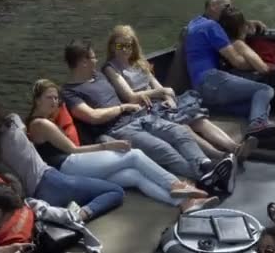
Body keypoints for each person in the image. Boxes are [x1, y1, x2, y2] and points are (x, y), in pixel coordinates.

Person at [61, 39, 236, 193]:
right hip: (117, 130)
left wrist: (142, 97)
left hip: (139, 115)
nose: (95, 60)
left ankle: (205, 164)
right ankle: (206, 175)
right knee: (164, 150)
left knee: (179, 132)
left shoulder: (98, 76)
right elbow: (92, 116)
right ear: (83, 62)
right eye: (92, 57)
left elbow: (126, 89)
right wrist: (122, 108)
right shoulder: (70, 92)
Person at [27, 79, 220, 213]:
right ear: (37, 100)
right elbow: (73, 150)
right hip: (68, 165)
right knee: (133, 155)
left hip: (69, 168)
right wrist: (110, 146)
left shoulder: (39, 122)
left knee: (134, 176)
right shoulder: (41, 124)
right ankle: (175, 185)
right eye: (49, 98)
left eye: (55, 98)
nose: (54, 102)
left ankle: (184, 204)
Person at [102, 24, 257, 162]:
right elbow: (131, 96)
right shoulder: (111, 69)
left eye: (129, 46)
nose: (125, 50)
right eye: (120, 46)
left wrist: (168, 97)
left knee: (198, 119)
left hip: (159, 103)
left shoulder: (139, 63)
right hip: (143, 109)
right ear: (112, 47)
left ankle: (235, 148)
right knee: (184, 126)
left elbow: (157, 84)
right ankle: (218, 156)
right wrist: (162, 91)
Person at [0, 92, 124, 222]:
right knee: (115, 191)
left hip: (31, 198)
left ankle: (69, 212)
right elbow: (24, 132)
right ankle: (81, 215)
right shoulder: (13, 122)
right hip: (50, 182)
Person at [184, 0, 275, 139]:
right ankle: (256, 125)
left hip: (202, 92)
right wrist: (262, 66)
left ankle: (258, 136)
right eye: (227, 6)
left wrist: (246, 23)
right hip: (211, 80)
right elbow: (238, 63)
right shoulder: (211, 27)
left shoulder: (196, 23)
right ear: (213, 7)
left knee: (258, 105)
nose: (231, 9)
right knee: (264, 90)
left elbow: (225, 26)